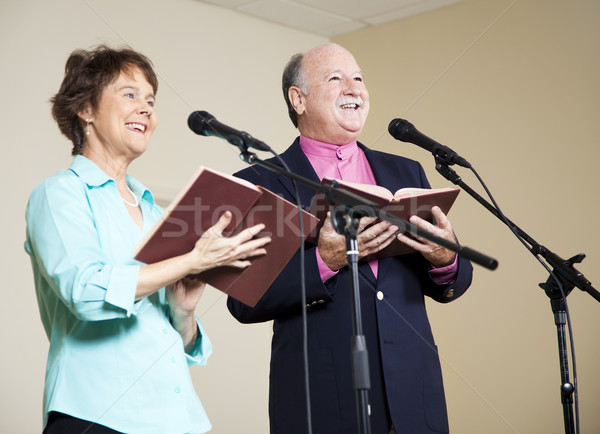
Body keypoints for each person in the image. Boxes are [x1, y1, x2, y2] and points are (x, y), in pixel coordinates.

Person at [227, 43, 474, 434]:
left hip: (414, 397)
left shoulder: (407, 172)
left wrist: (446, 258)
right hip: (322, 399)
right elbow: (244, 300)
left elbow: (451, 284)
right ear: (298, 99)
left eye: (358, 78)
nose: (354, 89)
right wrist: (325, 260)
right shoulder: (262, 183)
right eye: (336, 79)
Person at [25, 45, 270, 434]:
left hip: (175, 421)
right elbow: (86, 293)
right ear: (85, 109)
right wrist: (191, 261)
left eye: (151, 100)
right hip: (94, 417)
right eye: (130, 95)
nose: (146, 109)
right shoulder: (58, 195)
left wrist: (183, 312)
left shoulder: (157, 214)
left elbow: (178, 346)